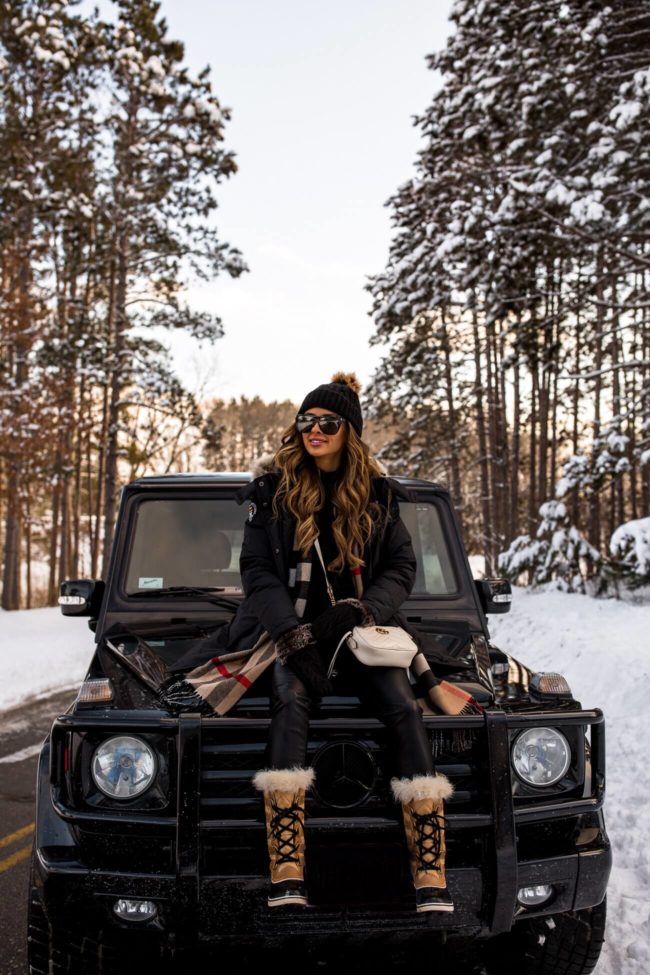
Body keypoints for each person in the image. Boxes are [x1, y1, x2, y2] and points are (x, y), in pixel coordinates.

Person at [240, 371, 455, 915]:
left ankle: (430, 867)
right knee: (288, 700)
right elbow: (257, 571)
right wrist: (290, 634)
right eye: (306, 421)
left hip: (362, 636)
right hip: (292, 635)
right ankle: (286, 865)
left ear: (349, 432)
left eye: (327, 422)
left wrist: (362, 609)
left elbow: (401, 566)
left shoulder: (379, 496)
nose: (314, 430)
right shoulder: (272, 492)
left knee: (405, 706)